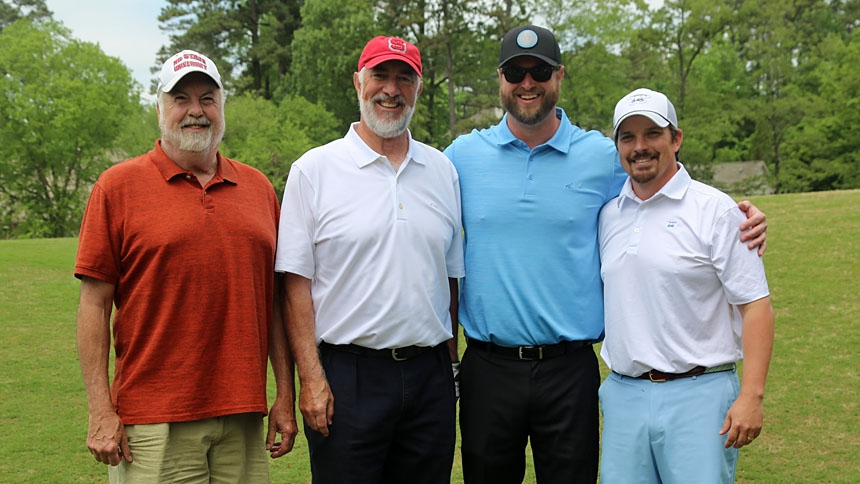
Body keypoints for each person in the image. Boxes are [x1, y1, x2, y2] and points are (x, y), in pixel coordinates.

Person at [443, 25, 768, 484]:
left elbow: (662, 187)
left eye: (540, 70)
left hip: (571, 368)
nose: (528, 82)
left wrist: (740, 215)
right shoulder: (461, 157)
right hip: (488, 367)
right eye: (515, 71)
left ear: (560, 76)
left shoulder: (600, 155)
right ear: (500, 79)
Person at [74, 49, 297, 483]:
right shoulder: (117, 187)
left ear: (222, 106)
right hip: (153, 421)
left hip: (243, 415)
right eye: (181, 98)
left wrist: (284, 395)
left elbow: (274, 303)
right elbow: (94, 307)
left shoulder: (258, 189)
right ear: (160, 107)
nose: (196, 111)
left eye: (207, 98)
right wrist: (101, 410)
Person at [275, 36, 464, 484]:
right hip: (347, 377)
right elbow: (294, 287)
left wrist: (451, 366)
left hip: (430, 376)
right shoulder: (314, 170)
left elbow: (451, 279)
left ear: (419, 88)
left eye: (405, 78)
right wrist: (312, 379)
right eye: (380, 75)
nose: (391, 89)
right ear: (358, 81)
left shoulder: (443, 171)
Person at [597, 88, 774, 483]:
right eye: (628, 137)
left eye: (652, 134)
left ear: (676, 138)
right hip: (624, 394)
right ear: (618, 146)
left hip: (700, 393)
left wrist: (752, 395)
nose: (640, 147)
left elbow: (756, 305)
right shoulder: (608, 214)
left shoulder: (717, 210)